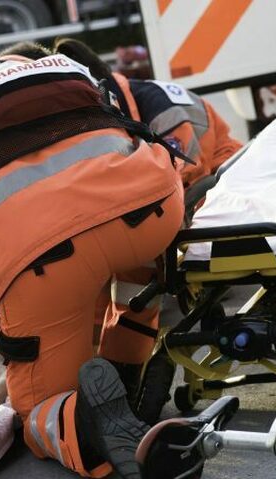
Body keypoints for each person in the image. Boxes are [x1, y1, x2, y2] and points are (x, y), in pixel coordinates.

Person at [0, 46, 202, 479]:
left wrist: (11, 315)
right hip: (152, 207)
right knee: (134, 291)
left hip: (43, 252)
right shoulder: (67, 71)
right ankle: (126, 377)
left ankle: (85, 426)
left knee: (36, 410)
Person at [51, 39, 243, 421]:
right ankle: (93, 366)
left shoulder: (163, 111)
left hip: (220, 184)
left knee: (137, 260)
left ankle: (119, 364)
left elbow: (179, 179)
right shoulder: (117, 109)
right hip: (182, 187)